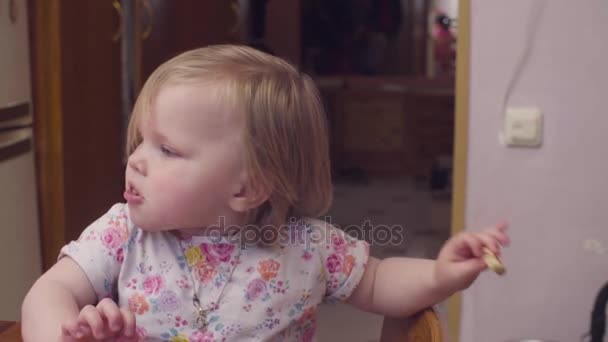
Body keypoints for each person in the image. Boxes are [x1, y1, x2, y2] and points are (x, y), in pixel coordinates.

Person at [21, 45, 509, 341]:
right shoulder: (121, 234)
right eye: (139, 142)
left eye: (166, 149)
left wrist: (444, 274)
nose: (136, 160)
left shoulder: (307, 248)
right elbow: (50, 291)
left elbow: (380, 283)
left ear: (247, 187)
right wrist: (65, 332)